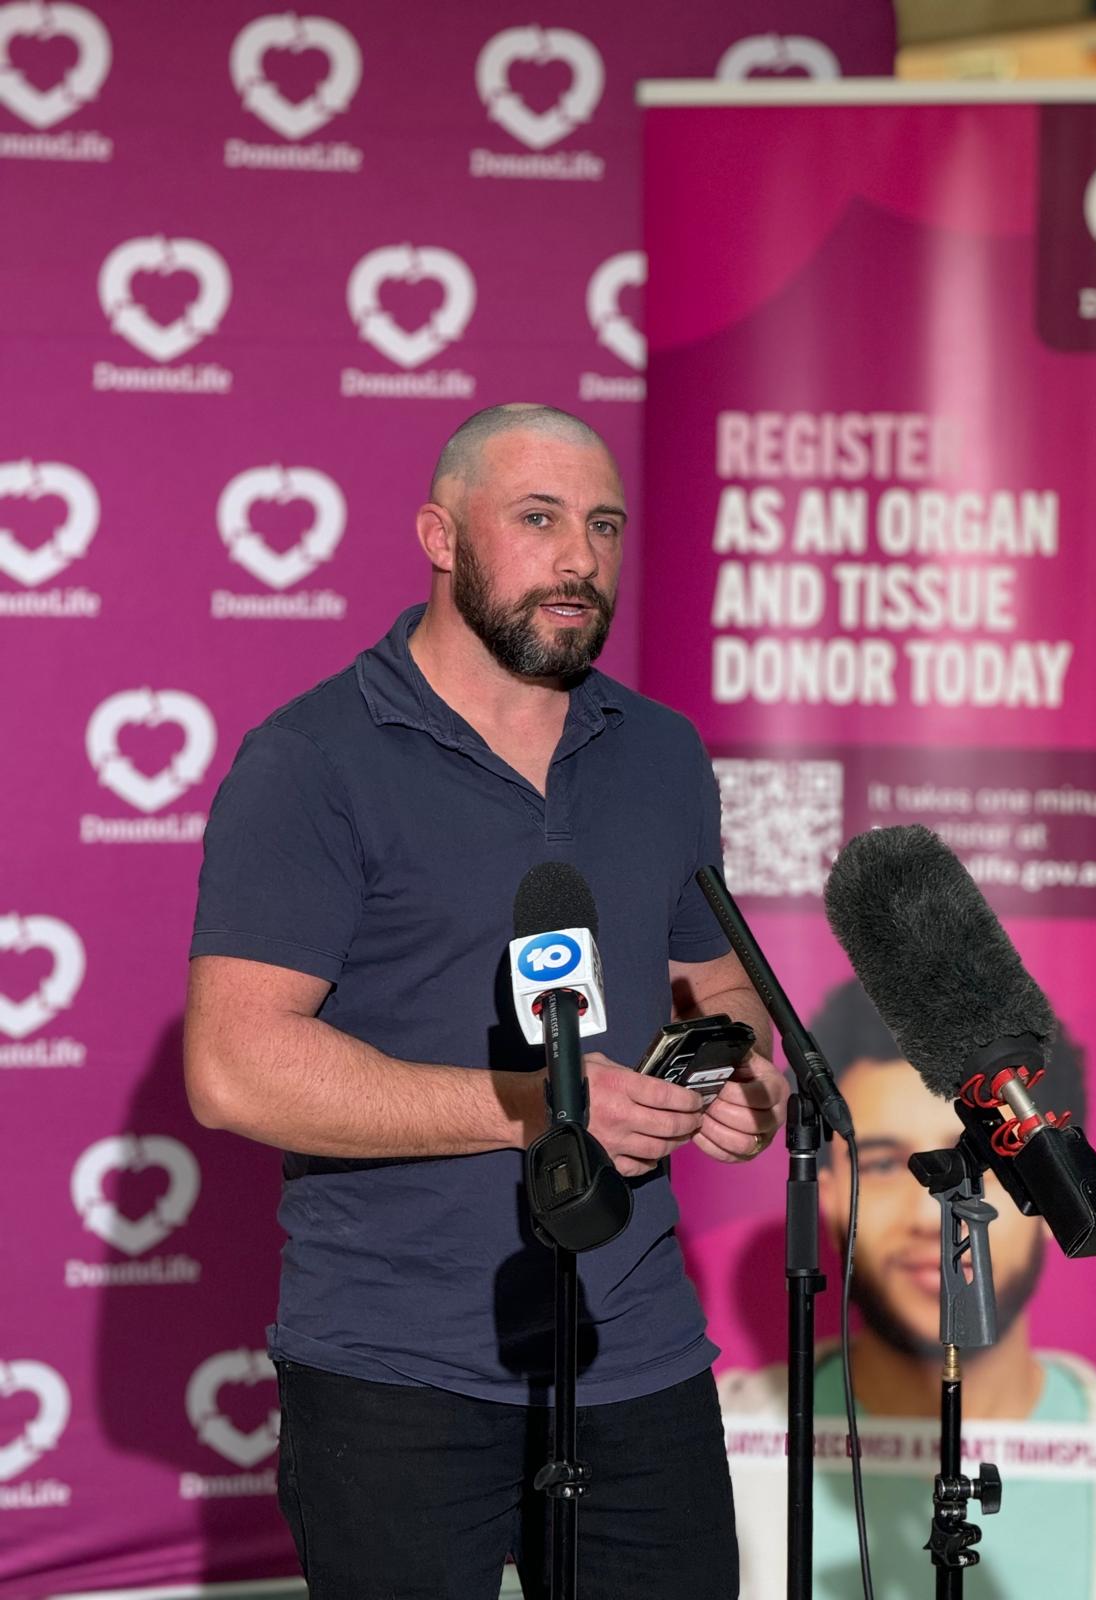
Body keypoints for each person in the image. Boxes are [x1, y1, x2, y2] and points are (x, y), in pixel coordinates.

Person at [183, 404, 788, 1600]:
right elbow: (236, 1064)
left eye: (604, 525)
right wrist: (545, 1109)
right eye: (539, 518)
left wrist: (742, 1070)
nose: (580, 557)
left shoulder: (661, 752)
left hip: (635, 1351)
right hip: (395, 1375)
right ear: (441, 537)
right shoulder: (311, 759)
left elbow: (717, 976)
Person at [718, 978, 1096, 1599]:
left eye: (990, 1169)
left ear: (1056, 1189)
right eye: (887, 1165)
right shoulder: (726, 1440)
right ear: (829, 1191)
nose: (931, 1219)